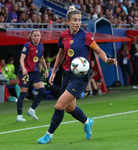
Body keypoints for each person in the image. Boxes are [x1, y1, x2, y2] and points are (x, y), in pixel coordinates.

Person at [37, 6, 117, 144]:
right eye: (75, 20)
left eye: (79, 20)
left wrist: (107, 61)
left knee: (59, 105)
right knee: (69, 108)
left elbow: (99, 51)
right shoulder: (63, 36)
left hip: (80, 77)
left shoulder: (85, 36)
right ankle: (87, 122)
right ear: (68, 21)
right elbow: (61, 55)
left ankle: (48, 135)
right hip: (66, 75)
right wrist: (54, 71)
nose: (78, 22)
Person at [17, 29, 48, 122]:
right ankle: (19, 116)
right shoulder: (27, 46)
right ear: (31, 37)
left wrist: (46, 69)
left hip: (34, 72)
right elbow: (21, 58)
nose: (37, 37)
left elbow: (41, 58)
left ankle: (31, 110)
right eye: (34, 36)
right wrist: (24, 68)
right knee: (23, 94)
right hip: (25, 72)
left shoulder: (41, 46)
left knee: (42, 91)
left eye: (38, 35)